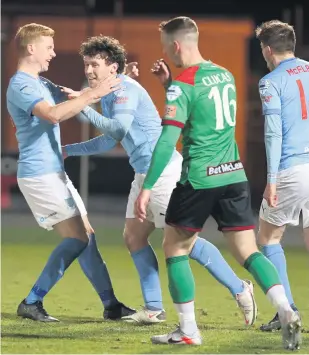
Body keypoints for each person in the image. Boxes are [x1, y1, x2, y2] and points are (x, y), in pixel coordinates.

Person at [62, 34, 257, 326]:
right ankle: (154, 309)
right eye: (86, 65)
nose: (88, 71)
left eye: (94, 65)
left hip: (164, 172)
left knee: (184, 243)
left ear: (113, 67)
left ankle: (240, 288)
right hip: (145, 173)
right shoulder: (112, 92)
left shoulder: (124, 89)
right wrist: (68, 150)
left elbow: (117, 130)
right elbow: (110, 141)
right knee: (134, 237)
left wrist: (83, 105)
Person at [134, 16, 301, 350]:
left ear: (176, 45)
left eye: (167, 47)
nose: (168, 53)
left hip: (199, 178)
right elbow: (204, 114)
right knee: (247, 250)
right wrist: (170, 86)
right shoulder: (224, 75)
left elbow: (168, 140)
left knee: (174, 247)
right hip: (234, 175)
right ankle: (285, 307)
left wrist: (148, 186)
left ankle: (188, 330)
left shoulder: (185, 84)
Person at [6, 23, 135, 322]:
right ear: (31, 48)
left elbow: (76, 97)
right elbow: (53, 114)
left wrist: (120, 80)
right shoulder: (21, 84)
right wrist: (92, 95)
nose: (53, 52)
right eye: (49, 46)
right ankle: (32, 301)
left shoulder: (41, 83)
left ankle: (111, 305)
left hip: (54, 171)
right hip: (39, 174)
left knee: (87, 236)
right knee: (77, 238)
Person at [255, 20, 309, 332]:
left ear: (267, 49)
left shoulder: (270, 82)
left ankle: (286, 310)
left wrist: (271, 180)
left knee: (268, 237)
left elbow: (273, 134)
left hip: (291, 168)